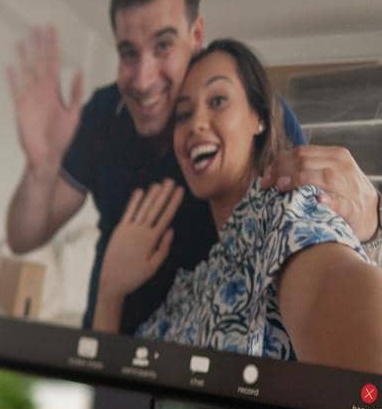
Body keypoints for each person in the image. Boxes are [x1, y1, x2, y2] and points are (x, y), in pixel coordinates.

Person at [3, 0, 382, 333]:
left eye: (163, 45)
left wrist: (369, 223)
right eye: (128, 53)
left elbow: (315, 238)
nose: (143, 79)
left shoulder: (278, 199)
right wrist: (41, 168)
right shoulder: (101, 114)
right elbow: (23, 239)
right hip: (116, 340)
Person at [91, 39, 382, 371]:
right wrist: (109, 291)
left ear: (258, 117)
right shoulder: (189, 285)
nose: (196, 124)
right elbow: (116, 387)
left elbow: (332, 285)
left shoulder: (283, 210)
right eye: (183, 114)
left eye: (217, 101)